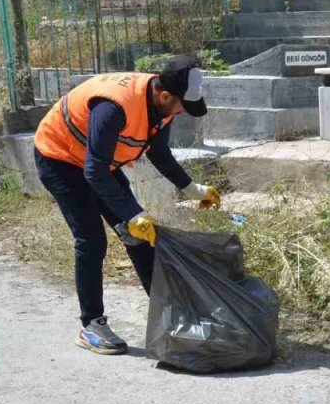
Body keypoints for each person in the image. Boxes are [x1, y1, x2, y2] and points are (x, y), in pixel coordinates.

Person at [33, 54, 221, 355]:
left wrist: (191, 188)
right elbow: (93, 170)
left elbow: (159, 151)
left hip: (97, 163)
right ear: (164, 95)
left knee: (141, 238)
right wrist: (132, 213)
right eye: (181, 106)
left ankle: (169, 316)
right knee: (92, 240)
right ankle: (91, 326)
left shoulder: (161, 106)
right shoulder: (115, 107)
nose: (182, 113)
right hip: (60, 158)